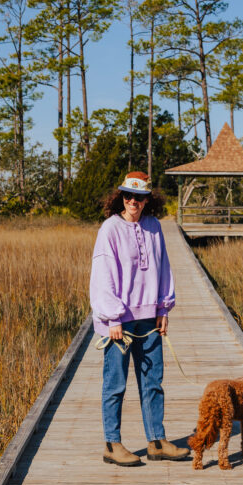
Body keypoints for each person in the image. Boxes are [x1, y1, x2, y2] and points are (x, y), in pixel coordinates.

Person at [89, 171, 189, 467]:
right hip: (119, 322)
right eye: (128, 196)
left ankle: (156, 441)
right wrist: (112, 318)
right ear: (121, 197)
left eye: (140, 197)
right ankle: (112, 444)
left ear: (148, 200)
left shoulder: (154, 227)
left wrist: (163, 309)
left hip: (150, 320)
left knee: (153, 382)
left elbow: (164, 268)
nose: (133, 201)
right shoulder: (109, 229)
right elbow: (103, 275)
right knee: (115, 384)